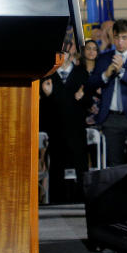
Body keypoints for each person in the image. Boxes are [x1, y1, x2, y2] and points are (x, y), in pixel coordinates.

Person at [88, 19, 127, 166]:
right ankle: (117, 189)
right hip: (111, 118)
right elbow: (91, 84)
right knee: (114, 162)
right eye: (117, 37)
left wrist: (122, 71)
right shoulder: (104, 58)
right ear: (112, 37)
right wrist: (106, 74)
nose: (120, 42)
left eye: (124, 38)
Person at [39, 47, 89, 203]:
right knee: (57, 166)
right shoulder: (48, 75)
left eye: (64, 53)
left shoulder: (81, 73)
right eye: (57, 53)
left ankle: (82, 199)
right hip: (56, 129)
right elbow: (45, 108)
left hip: (76, 129)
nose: (61, 56)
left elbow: (88, 101)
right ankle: (56, 200)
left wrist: (80, 98)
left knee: (80, 166)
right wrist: (49, 96)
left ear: (71, 53)